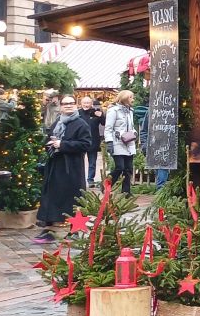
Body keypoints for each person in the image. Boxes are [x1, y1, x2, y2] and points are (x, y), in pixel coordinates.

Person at [33, 95, 92, 244]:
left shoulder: (81, 124)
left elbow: (85, 144)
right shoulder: (57, 122)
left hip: (71, 168)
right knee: (52, 196)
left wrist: (63, 144)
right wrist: (49, 144)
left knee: (71, 199)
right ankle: (50, 230)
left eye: (71, 103)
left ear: (75, 105)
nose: (68, 106)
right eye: (65, 104)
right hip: (55, 165)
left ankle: (74, 230)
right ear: (61, 106)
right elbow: (49, 137)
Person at [105, 90, 137, 194]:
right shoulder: (113, 111)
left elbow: (131, 126)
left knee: (128, 168)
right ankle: (106, 185)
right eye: (131, 97)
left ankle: (126, 192)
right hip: (117, 142)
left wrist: (135, 133)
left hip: (129, 141)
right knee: (120, 167)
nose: (133, 99)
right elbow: (108, 128)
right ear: (124, 98)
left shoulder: (130, 111)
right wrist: (109, 142)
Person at [78, 96, 104, 187]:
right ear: (81, 103)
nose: (86, 105)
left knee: (92, 162)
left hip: (93, 141)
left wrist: (102, 116)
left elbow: (104, 123)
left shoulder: (95, 112)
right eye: (84, 103)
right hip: (80, 141)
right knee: (79, 161)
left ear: (91, 104)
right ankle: (79, 179)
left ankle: (90, 180)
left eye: (88, 103)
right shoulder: (77, 113)